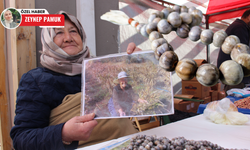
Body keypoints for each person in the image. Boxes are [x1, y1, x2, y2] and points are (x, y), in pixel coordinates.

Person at [10, 10, 140, 150]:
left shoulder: (98, 70)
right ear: (47, 40)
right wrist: (63, 133)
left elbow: (124, 96)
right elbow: (21, 139)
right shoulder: (36, 80)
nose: (68, 38)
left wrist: (139, 63)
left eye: (73, 31)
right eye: (59, 33)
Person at [217, 9, 250, 92]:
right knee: (236, 102)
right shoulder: (240, 27)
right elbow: (242, 55)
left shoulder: (238, 26)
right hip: (234, 75)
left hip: (232, 74)